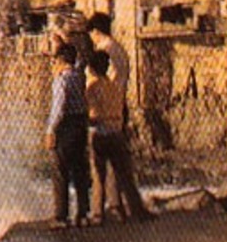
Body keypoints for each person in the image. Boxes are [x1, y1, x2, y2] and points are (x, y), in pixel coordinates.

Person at [85, 50, 151, 222]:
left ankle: (98, 213)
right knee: (124, 175)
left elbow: (91, 112)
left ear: (91, 68)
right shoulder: (115, 87)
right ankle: (134, 210)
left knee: (99, 176)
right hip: (116, 132)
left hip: (99, 133)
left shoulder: (91, 88)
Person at [44, 42, 90, 227]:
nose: (53, 65)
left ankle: (61, 216)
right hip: (80, 123)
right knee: (79, 170)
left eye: (54, 60)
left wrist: (51, 130)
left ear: (60, 61)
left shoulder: (62, 79)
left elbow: (59, 107)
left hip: (66, 127)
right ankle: (83, 213)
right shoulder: (80, 76)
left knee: (60, 171)